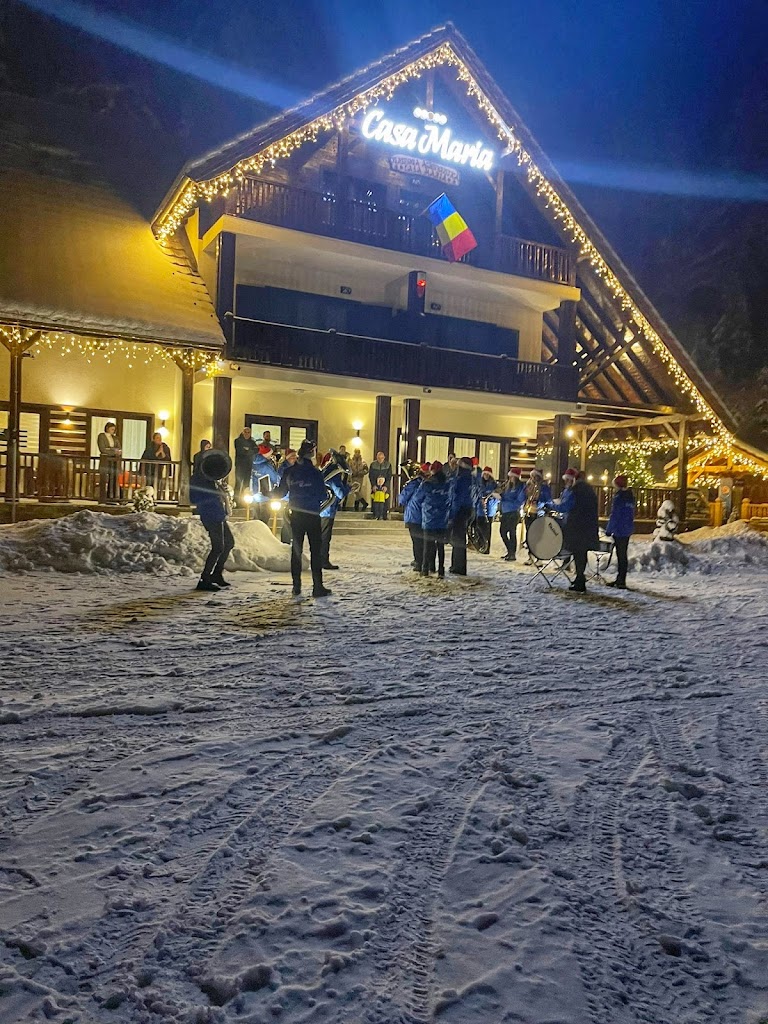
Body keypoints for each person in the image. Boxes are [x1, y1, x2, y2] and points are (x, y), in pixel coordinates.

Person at [274, 439, 331, 597]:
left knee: (296, 550)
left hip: (296, 514)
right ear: (311, 453)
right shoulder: (315, 473)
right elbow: (322, 495)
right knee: (315, 551)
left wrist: (267, 493)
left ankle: (296, 586)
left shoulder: (290, 472)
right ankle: (317, 587)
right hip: (312, 515)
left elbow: (281, 492)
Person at [190, 454, 235, 592]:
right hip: (210, 515)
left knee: (229, 543)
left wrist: (221, 491)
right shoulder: (197, 479)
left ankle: (216, 574)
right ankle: (205, 579)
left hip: (218, 514)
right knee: (218, 547)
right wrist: (213, 495)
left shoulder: (211, 479)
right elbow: (193, 498)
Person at [410, 461, 451, 577]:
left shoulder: (427, 483)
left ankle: (425, 569)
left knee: (427, 544)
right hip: (442, 518)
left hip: (429, 518)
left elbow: (418, 498)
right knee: (440, 545)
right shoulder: (447, 483)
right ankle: (441, 569)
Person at [562, 474, 599, 593]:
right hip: (588, 527)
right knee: (582, 553)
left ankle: (580, 581)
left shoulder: (576, 491)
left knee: (578, 554)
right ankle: (580, 578)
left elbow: (567, 506)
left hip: (577, 527)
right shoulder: (590, 491)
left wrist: (552, 505)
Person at [319, 450, 350, 570]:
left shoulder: (325, 471)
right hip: (328, 509)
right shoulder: (334, 475)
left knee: (320, 537)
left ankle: (319, 560)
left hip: (321, 508)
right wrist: (348, 487)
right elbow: (340, 493)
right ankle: (323, 561)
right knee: (325, 538)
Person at [605, 474, 635, 588]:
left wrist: (609, 529)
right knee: (623, 555)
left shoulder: (619, 497)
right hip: (627, 528)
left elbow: (615, 515)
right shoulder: (630, 496)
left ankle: (620, 580)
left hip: (619, 529)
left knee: (620, 555)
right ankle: (621, 579)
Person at [448, 455, 475, 575]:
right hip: (467, 509)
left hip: (460, 511)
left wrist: (452, 514)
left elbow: (457, 498)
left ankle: (458, 567)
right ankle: (458, 565)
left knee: (457, 539)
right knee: (460, 538)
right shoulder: (470, 478)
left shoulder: (461, 479)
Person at [399, 463, 427, 570]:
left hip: (414, 515)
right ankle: (424, 561)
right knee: (423, 540)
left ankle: (418, 562)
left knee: (416, 541)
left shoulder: (413, 484)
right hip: (424, 515)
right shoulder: (427, 483)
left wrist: (405, 488)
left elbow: (402, 499)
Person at [522, 468, 552, 564]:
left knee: (538, 535)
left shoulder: (544, 487)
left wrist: (540, 503)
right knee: (529, 534)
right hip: (529, 511)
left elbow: (548, 499)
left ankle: (539, 558)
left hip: (539, 512)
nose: (534, 478)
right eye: (532, 476)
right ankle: (530, 556)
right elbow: (524, 495)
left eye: (536, 476)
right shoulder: (529, 486)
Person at [498, 468, 526, 561]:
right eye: (510, 476)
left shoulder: (520, 487)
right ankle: (510, 551)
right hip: (505, 512)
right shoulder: (507, 486)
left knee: (512, 532)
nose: (511, 478)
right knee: (502, 532)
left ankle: (512, 554)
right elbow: (504, 496)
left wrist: (506, 500)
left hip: (513, 512)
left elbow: (519, 501)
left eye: (513, 476)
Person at [473, 467, 498, 554]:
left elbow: (498, 497)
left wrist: (490, 499)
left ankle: (487, 548)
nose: (486, 476)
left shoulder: (494, 485)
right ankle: (481, 545)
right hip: (480, 509)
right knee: (478, 528)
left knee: (487, 530)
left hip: (489, 510)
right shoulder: (479, 484)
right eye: (485, 474)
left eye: (488, 474)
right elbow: (476, 494)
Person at [140, 431, 172, 497]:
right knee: (149, 484)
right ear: (154, 439)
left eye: (160, 438)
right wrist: (158, 452)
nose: (159, 439)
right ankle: (148, 498)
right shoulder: (150, 446)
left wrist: (162, 451)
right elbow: (148, 456)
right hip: (149, 469)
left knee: (158, 484)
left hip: (159, 469)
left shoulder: (164, 446)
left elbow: (167, 458)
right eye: (157, 438)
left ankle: (156, 497)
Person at [97, 421, 122, 503]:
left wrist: (111, 450)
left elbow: (119, 448)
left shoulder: (115, 438)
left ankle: (113, 496)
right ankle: (104, 497)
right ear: (107, 428)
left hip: (114, 460)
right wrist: (113, 451)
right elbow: (103, 449)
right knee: (105, 478)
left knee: (114, 478)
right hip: (106, 460)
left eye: (114, 430)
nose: (113, 431)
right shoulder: (101, 436)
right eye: (112, 429)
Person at [233, 426, 258, 505]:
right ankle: (236, 501)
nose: (247, 434)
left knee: (246, 484)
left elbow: (256, 450)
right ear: (243, 432)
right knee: (238, 483)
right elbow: (241, 452)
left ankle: (245, 501)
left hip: (249, 465)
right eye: (246, 432)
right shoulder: (238, 441)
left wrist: (248, 450)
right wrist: (250, 451)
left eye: (248, 432)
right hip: (240, 465)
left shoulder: (252, 442)